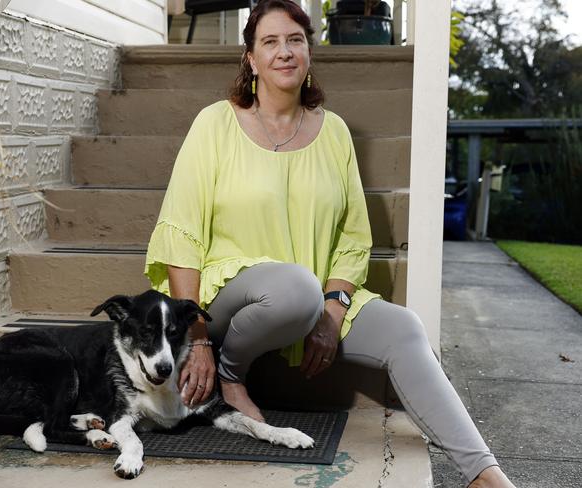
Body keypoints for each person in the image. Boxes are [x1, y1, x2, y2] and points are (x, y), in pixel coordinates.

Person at [145, 1, 515, 486]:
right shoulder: (216, 124)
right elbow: (182, 232)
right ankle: (232, 374)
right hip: (223, 302)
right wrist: (196, 339)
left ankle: (485, 475)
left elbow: (353, 237)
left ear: (309, 52)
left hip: (310, 296)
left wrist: (335, 310)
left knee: (404, 328)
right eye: (270, 42)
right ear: (251, 59)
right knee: (296, 288)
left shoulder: (334, 131)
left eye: (295, 40)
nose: (284, 52)